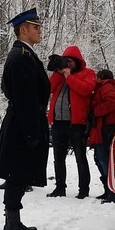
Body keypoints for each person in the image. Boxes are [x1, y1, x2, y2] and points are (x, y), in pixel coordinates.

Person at [0, 8, 49, 230]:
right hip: (23, 124)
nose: (39, 30)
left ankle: (13, 223)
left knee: (19, 174)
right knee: (17, 175)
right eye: (35, 27)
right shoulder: (22, 56)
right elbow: (24, 97)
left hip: (21, 121)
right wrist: (31, 132)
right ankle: (12, 227)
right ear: (23, 30)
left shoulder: (24, 54)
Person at [46, 45, 96, 199]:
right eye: (65, 61)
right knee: (58, 157)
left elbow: (86, 89)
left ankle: (84, 189)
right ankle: (60, 187)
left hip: (77, 123)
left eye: (70, 61)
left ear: (77, 61)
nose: (67, 64)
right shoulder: (60, 76)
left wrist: (69, 76)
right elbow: (49, 88)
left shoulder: (88, 73)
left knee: (80, 157)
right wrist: (58, 73)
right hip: (58, 122)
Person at [87, 69, 115, 203]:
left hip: (107, 128)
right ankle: (109, 190)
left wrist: (95, 112)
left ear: (100, 78)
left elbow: (111, 101)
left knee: (104, 159)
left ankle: (112, 191)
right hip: (106, 126)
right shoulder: (108, 87)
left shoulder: (106, 87)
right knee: (102, 158)